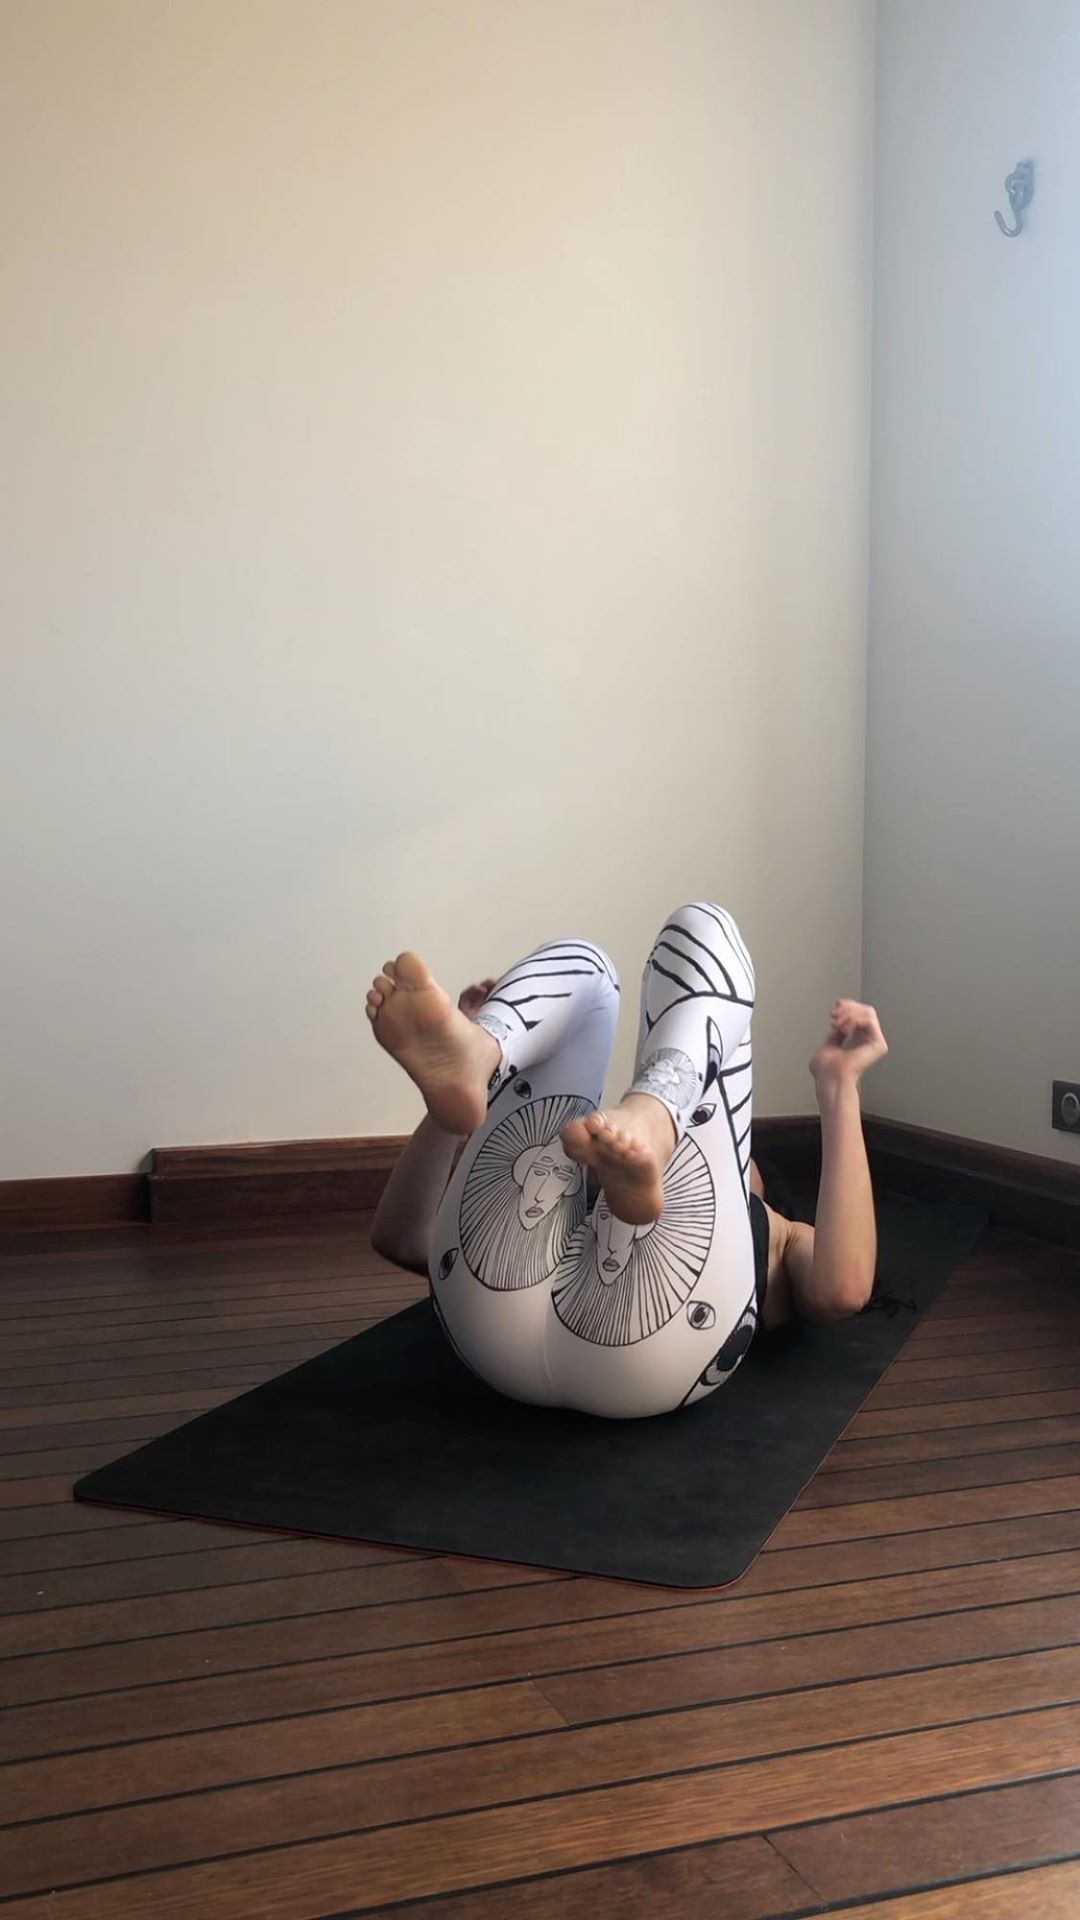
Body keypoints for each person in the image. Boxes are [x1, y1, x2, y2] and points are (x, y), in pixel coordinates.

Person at [366, 903, 888, 1419]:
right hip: (503, 1314)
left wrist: (839, 1085)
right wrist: (467, 1100)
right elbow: (406, 1240)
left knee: (693, 931)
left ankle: (652, 1113)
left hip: (576, 1343)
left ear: (761, 1181)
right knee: (591, 965)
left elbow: (842, 1289)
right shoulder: (575, 1176)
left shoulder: (779, 1234)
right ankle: (485, 1052)